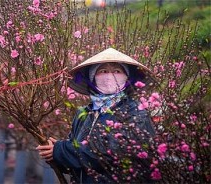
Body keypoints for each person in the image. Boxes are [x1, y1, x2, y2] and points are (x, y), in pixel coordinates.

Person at [36, 48, 156, 183]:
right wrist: (54, 154)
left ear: (127, 78)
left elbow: (112, 153)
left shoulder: (135, 112)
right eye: (103, 71)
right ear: (92, 77)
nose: (110, 76)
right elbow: (77, 163)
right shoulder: (85, 114)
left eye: (117, 71)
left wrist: (61, 150)